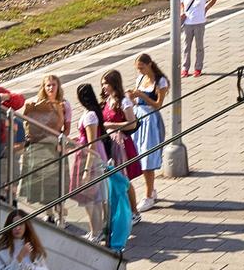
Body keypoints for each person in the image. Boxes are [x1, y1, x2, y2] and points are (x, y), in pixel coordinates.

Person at [19, 75, 68, 216]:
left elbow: (67, 129)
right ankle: (49, 213)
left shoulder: (64, 105)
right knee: (44, 182)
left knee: (57, 181)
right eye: (48, 85)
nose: (51, 88)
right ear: (43, 87)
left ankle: (60, 211)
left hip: (55, 148)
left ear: (58, 86)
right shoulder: (36, 105)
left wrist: (60, 141)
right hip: (40, 148)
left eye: (53, 85)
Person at [127, 55, 169, 212]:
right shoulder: (140, 78)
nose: (139, 70)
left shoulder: (160, 81)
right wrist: (131, 98)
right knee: (136, 154)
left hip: (151, 120)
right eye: (138, 68)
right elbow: (136, 100)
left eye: (142, 67)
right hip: (138, 117)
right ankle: (151, 190)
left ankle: (149, 195)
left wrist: (142, 95)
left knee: (147, 157)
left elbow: (158, 104)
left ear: (149, 64)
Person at [98, 71, 141, 224]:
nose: (103, 87)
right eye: (103, 83)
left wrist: (111, 125)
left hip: (121, 143)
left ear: (114, 83)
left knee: (124, 179)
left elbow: (132, 123)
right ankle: (120, 212)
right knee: (113, 179)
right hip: (110, 143)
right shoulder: (107, 100)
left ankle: (134, 211)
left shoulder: (124, 101)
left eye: (106, 83)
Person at [69, 84, 110, 239]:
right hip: (91, 154)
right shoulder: (92, 113)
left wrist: (86, 169)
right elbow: (87, 138)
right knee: (95, 197)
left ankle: (96, 232)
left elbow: (92, 142)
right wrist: (77, 140)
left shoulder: (90, 115)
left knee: (91, 198)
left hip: (90, 157)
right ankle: (97, 231)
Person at [178, 0, 215, 77]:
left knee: (199, 47)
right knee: (186, 47)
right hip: (187, 23)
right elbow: (181, 3)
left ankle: (198, 68)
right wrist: (182, 11)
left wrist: (206, 8)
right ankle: (185, 69)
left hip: (199, 23)